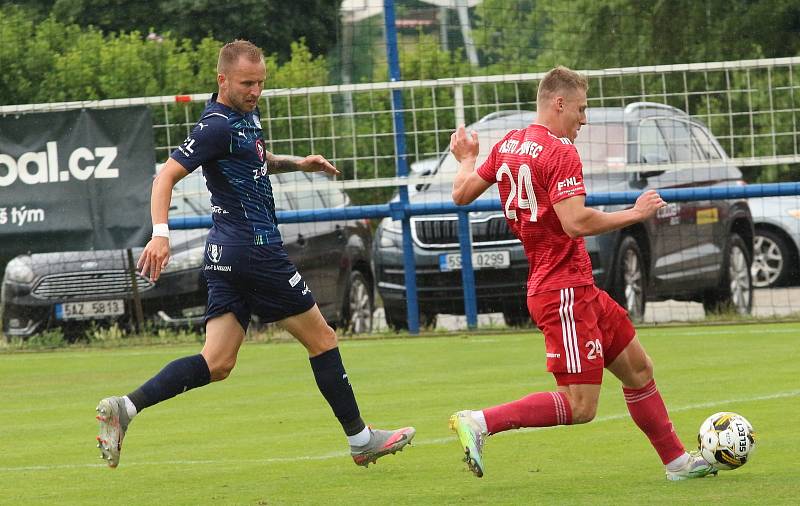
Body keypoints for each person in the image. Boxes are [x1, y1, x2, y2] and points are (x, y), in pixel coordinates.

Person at [95, 40, 415, 469]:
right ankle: (361, 440)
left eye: (261, 83)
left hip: (225, 254)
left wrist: (299, 164)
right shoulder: (215, 126)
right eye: (247, 83)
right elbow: (164, 178)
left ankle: (125, 408)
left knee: (218, 361)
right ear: (222, 79)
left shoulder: (245, 116)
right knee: (323, 340)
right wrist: (160, 235)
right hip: (255, 251)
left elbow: (256, 159)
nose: (255, 91)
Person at [447, 66, 715, 481]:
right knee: (580, 406)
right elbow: (575, 222)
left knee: (639, 368)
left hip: (575, 287)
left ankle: (678, 464)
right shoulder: (559, 151)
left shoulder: (509, 143)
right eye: (581, 109)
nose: (584, 120)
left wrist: (466, 158)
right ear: (559, 103)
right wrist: (636, 213)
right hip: (562, 292)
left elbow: (461, 193)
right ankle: (480, 421)